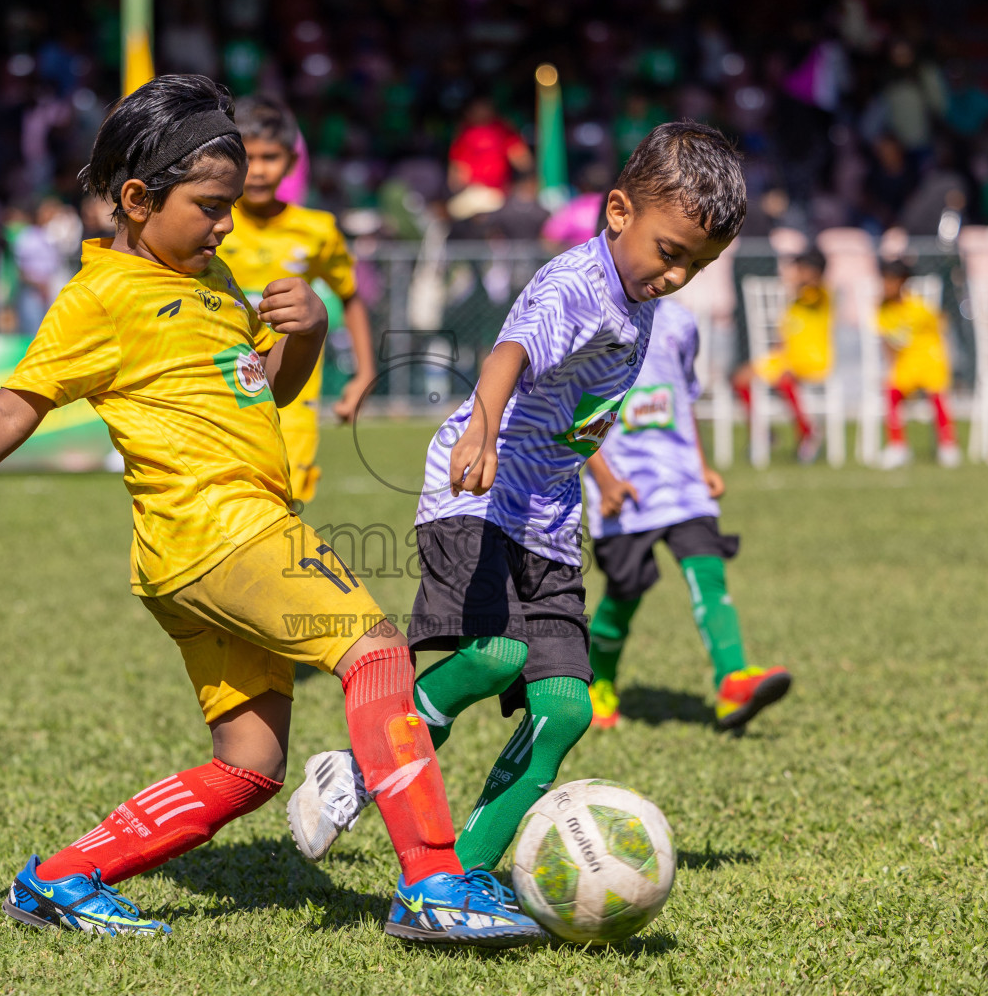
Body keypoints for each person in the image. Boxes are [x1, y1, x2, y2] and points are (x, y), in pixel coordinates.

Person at [0, 75, 540, 946]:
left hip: (190, 558)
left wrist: (310, 334)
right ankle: (435, 883)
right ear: (136, 200)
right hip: (225, 531)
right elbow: (11, 406)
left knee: (250, 765)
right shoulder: (102, 296)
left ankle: (60, 879)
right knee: (376, 658)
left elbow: (266, 390)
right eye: (210, 206)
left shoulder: (214, 278)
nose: (227, 222)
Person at [285, 122, 746, 875]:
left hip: (552, 516)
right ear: (620, 212)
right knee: (495, 653)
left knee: (564, 709)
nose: (675, 276)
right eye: (670, 253)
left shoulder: (641, 302)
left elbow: (581, 414)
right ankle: (359, 772)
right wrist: (483, 433)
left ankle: (459, 876)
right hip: (479, 494)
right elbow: (510, 354)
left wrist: (599, 477)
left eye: (696, 266)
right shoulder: (578, 285)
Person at [579, 293, 790, 732]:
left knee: (708, 574)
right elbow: (575, 407)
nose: (673, 272)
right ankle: (598, 682)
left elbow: (682, 397)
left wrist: (703, 464)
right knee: (624, 594)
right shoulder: (592, 321)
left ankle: (733, 681)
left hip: (683, 482)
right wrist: (603, 478)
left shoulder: (680, 322)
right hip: (625, 487)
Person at [217, 96, 377, 503]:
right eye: (248, 157)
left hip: (292, 391)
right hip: (221, 383)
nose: (259, 169)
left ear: (290, 161)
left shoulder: (317, 230)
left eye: (270, 156)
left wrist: (363, 376)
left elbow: (351, 296)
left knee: (285, 500)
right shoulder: (212, 221)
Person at [732, 248, 832, 464]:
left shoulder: (821, 294)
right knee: (741, 378)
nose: (796, 272)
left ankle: (807, 433)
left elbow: (815, 292)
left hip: (812, 359)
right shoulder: (794, 300)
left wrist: (805, 281)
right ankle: (763, 434)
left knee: (784, 380)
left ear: (814, 272)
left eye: (801, 268)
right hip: (786, 358)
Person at [875, 260, 959, 469]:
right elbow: (887, 341)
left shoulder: (919, 307)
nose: (886, 286)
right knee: (891, 392)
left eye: (891, 281)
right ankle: (897, 445)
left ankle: (947, 444)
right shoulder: (883, 310)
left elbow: (940, 327)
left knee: (937, 395)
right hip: (906, 363)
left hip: (929, 359)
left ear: (902, 283)